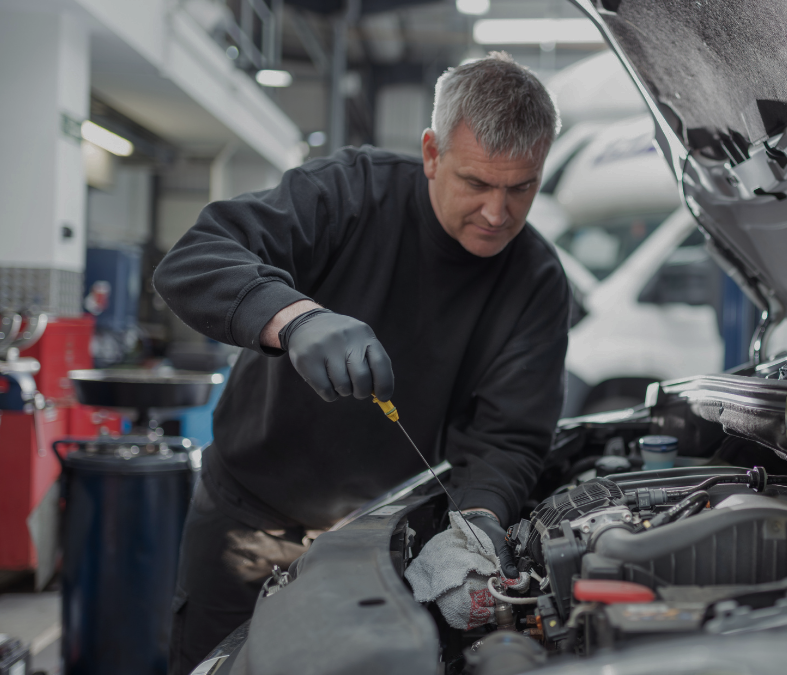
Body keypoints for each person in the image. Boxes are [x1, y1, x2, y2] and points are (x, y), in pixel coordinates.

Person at [153, 52, 570, 675]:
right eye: (477, 183)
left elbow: (508, 439)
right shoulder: (349, 192)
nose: (497, 213)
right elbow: (194, 260)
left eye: (521, 188)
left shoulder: (536, 282)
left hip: (384, 549)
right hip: (247, 526)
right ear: (432, 153)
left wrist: (478, 526)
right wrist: (293, 318)